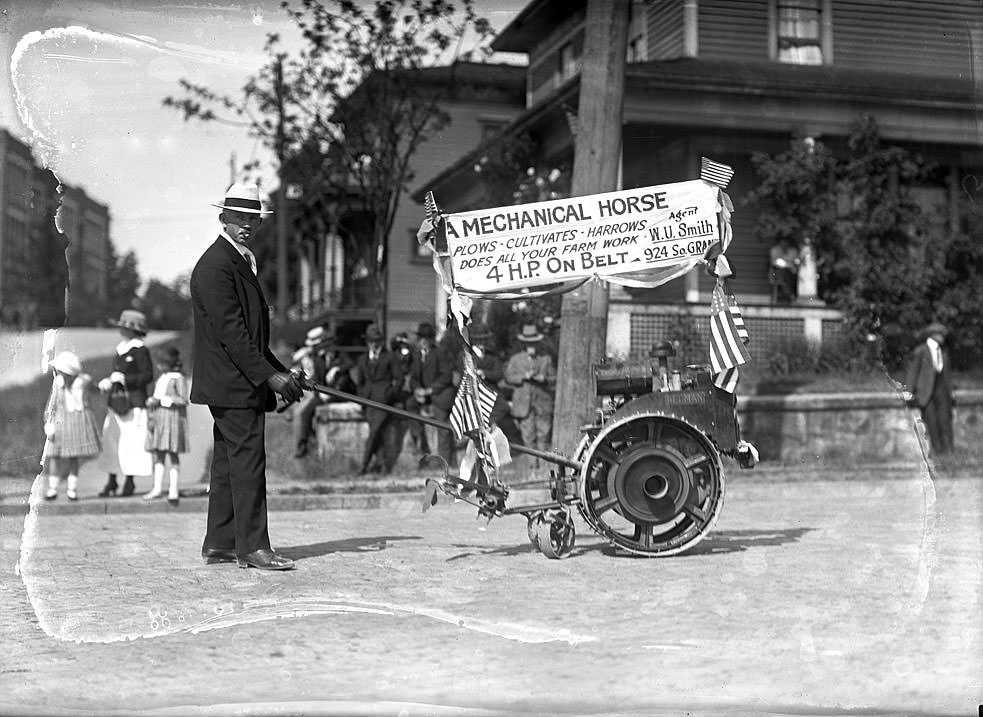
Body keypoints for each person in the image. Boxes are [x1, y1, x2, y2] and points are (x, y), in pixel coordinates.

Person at [190, 182, 304, 571]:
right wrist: (271, 379)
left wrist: (283, 372)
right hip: (233, 384)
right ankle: (254, 547)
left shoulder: (238, 260)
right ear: (222, 218)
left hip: (233, 381)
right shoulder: (217, 266)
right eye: (239, 218)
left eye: (252, 219)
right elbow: (232, 334)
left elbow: (251, 336)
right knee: (249, 463)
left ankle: (220, 543)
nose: (246, 226)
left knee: (227, 464)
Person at [96, 309, 154, 497]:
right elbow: (116, 374)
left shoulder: (140, 350)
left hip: (134, 403)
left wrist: (125, 380)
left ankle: (129, 482)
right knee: (112, 439)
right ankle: (112, 480)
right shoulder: (121, 348)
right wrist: (109, 381)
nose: (121, 330)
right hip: (117, 402)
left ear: (134, 330)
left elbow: (147, 376)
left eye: (124, 327)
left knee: (132, 442)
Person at [42, 351, 101, 501]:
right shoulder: (58, 383)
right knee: (54, 455)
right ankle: (52, 488)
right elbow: (51, 405)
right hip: (60, 422)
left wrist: (102, 385)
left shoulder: (84, 381)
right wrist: (48, 424)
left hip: (77, 422)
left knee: (73, 456)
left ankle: (72, 489)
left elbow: (96, 390)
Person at [353, 324, 404, 474]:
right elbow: (360, 382)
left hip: (383, 401)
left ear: (381, 341)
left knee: (374, 431)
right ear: (367, 342)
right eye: (370, 341)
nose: (373, 344)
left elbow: (399, 379)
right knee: (376, 433)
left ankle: (364, 465)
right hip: (368, 402)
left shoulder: (389, 357)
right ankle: (381, 465)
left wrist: (390, 393)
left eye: (376, 341)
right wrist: (362, 397)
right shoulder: (362, 359)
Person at [143, 346, 189, 505]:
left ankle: (173, 489)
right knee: (159, 453)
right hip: (160, 418)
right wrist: (152, 402)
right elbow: (157, 395)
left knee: (173, 453)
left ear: (167, 363)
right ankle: (157, 488)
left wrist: (162, 401)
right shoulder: (162, 378)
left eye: (161, 363)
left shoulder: (178, 378)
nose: (158, 366)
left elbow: (183, 400)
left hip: (172, 419)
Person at [409, 321, 457, 466]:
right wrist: (417, 390)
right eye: (420, 338)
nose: (422, 342)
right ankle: (422, 450)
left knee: (442, 428)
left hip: (440, 394)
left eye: (425, 338)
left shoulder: (440, 352)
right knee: (409, 406)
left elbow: (446, 376)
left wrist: (430, 390)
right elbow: (413, 378)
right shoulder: (416, 355)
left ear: (430, 339)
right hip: (423, 396)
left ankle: (444, 463)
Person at [903, 321, 954, 457]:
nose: (942, 337)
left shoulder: (943, 352)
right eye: (940, 334)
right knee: (931, 422)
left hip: (941, 390)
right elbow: (913, 372)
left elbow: (946, 374)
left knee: (944, 420)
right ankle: (936, 451)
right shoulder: (921, 351)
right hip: (926, 392)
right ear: (932, 335)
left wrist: (950, 392)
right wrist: (909, 391)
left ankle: (947, 451)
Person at [505, 324, 556, 457]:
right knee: (528, 437)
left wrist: (544, 378)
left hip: (543, 402)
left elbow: (555, 378)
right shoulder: (516, 359)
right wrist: (523, 377)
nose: (531, 347)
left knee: (543, 434)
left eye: (533, 344)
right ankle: (533, 467)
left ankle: (544, 466)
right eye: (528, 344)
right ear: (523, 344)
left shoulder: (546, 359)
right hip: (523, 405)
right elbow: (508, 377)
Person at [468, 323, 523, 448]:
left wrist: (485, 373)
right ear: (475, 340)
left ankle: (489, 427)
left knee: (503, 407)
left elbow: (499, 374)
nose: (483, 342)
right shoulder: (467, 356)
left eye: (484, 339)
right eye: (480, 339)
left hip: (492, 390)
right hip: (474, 393)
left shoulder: (492, 356)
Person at [769, 237, 800, 304]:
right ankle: (790, 295)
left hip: (792, 273)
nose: (784, 244)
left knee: (789, 276)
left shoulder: (793, 250)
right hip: (777, 272)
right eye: (783, 242)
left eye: (786, 242)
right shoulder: (775, 250)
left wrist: (789, 264)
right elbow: (775, 262)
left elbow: (796, 262)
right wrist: (788, 264)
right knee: (783, 274)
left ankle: (790, 294)